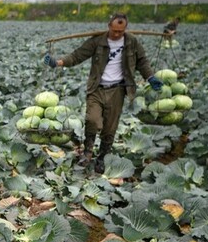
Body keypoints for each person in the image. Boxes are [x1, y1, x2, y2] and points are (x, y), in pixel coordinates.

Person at [44, 12, 163, 173]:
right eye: (114, 30)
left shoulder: (132, 42)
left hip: (118, 90)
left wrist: (150, 77)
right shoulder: (98, 41)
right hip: (97, 88)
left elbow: (142, 61)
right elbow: (77, 55)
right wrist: (57, 62)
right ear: (109, 27)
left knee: (110, 128)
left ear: (125, 29)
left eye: (120, 31)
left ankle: (102, 156)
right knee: (92, 120)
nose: (116, 34)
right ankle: (87, 152)